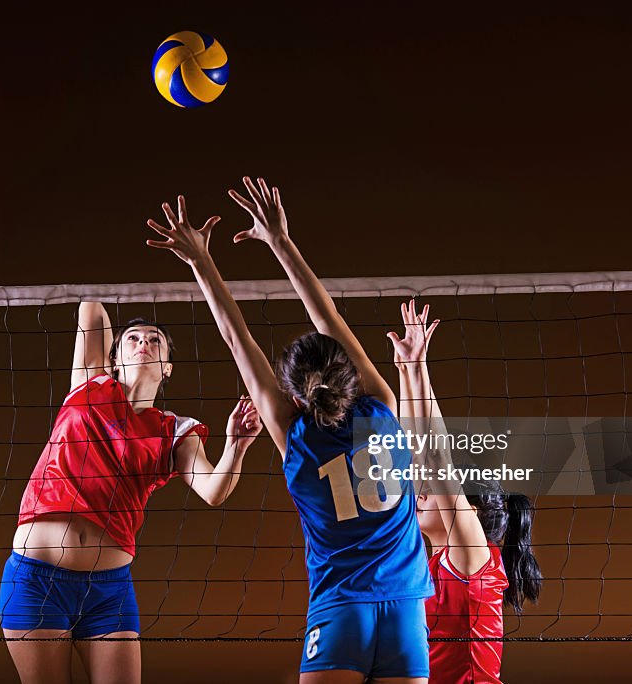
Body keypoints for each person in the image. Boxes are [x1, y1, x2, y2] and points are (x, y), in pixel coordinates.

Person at [145, 177, 433, 683]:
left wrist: (201, 262)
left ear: (295, 396)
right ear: (346, 371)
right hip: (406, 610)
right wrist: (281, 240)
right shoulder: (383, 408)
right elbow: (329, 318)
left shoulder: (294, 438)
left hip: (340, 610)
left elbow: (237, 340)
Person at [0, 302, 262, 684]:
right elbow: (91, 309)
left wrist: (235, 446)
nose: (144, 343)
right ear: (114, 359)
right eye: (133, 338)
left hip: (109, 591)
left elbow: (212, 490)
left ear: (167, 366)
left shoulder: (174, 431)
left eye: (155, 340)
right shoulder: (89, 385)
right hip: (37, 581)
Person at [391, 300, 542, 684]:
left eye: (430, 490)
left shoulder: (474, 558)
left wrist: (419, 369)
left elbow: (437, 457)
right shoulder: (434, 564)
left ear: (469, 514)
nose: (419, 493)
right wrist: (407, 371)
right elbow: (421, 452)